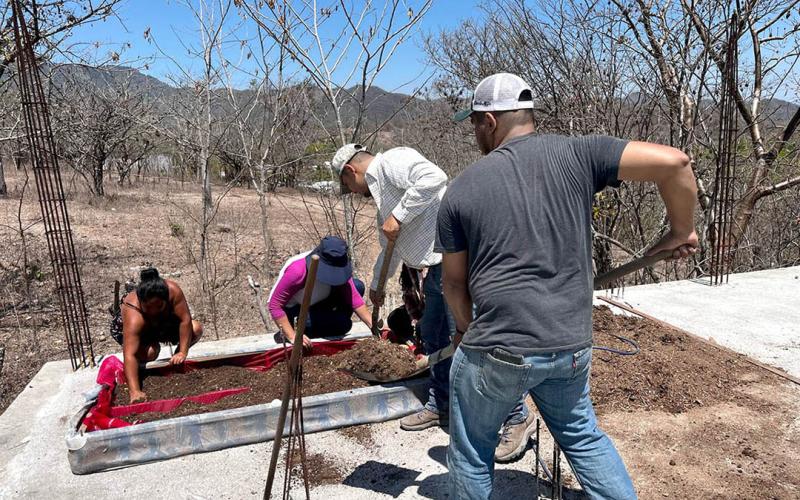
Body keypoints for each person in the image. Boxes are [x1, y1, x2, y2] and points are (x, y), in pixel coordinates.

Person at [437, 73, 698, 499]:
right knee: (582, 437)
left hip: (498, 347)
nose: (475, 134)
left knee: (471, 452)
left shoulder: (461, 189)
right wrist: (680, 230)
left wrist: (466, 330)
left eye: (474, 125)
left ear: (488, 121)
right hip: (570, 346)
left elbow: (452, 284)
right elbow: (676, 163)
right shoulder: (580, 153)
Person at [331, 143, 528, 437]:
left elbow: (434, 177)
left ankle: (514, 417)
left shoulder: (392, 161)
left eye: (348, 185)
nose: (355, 193)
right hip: (434, 272)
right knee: (434, 336)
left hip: (456, 263)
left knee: (474, 339)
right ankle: (442, 405)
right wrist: (376, 285)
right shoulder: (383, 194)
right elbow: (389, 247)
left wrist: (398, 216)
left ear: (350, 170)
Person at [113, 267, 203, 404]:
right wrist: (135, 391)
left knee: (196, 328)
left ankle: (176, 359)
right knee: (150, 352)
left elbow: (185, 321)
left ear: (166, 299)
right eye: (148, 307)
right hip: (138, 331)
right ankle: (139, 371)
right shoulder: (133, 313)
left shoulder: (173, 291)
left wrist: (182, 352)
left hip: (162, 325)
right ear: (141, 302)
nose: (153, 311)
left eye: (159, 306)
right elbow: (129, 354)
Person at [268, 236, 371, 348]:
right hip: (296, 311)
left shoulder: (338, 264)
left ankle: (334, 323)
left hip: (319, 301)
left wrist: (374, 325)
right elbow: (275, 305)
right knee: (343, 324)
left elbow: (354, 298)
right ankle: (288, 332)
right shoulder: (298, 271)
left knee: (357, 286)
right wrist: (293, 336)